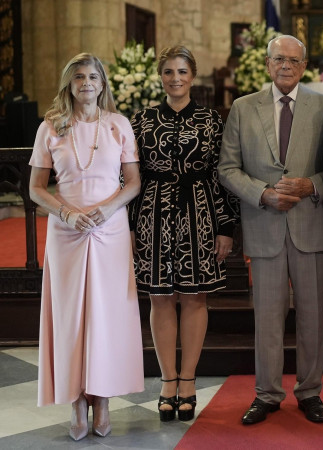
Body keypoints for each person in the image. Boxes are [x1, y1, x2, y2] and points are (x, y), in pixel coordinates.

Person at [218, 35, 323, 425]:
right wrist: (263, 194)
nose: (285, 66)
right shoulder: (242, 107)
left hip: (312, 224)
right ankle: (267, 394)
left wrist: (311, 186)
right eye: (278, 59)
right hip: (264, 224)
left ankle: (310, 391)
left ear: (305, 67)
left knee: (311, 316)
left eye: (293, 60)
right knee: (267, 317)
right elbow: (227, 168)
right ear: (267, 65)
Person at [29, 53, 143, 440]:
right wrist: (66, 214)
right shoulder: (51, 127)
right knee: (71, 316)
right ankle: (76, 398)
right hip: (67, 233)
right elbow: (35, 189)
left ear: (103, 83)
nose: (87, 82)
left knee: (106, 316)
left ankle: (103, 396)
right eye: (79, 76)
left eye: (93, 76)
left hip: (110, 231)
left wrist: (107, 209)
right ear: (69, 83)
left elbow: (132, 182)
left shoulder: (118, 125)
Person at [129, 46, 239, 422]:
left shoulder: (211, 120)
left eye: (182, 72)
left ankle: (189, 380)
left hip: (200, 213)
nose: (175, 78)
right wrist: (129, 226)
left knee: (194, 297)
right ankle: (167, 381)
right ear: (160, 77)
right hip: (153, 215)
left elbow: (222, 174)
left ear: (193, 76)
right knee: (160, 298)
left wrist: (226, 226)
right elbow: (129, 176)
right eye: (168, 72)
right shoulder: (140, 121)